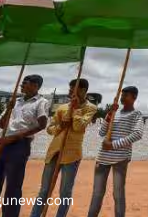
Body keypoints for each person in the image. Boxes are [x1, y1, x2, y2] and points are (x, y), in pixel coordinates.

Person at [0, 75, 49, 217]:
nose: (22, 84)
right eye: (22, 82)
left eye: (26, 82)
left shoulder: (41, 102)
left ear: (36, 85)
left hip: (20, 145)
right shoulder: (14, 101)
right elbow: (1, 124)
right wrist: (9, 109)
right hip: (1, 143)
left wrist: (16, 137)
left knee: (13, 186)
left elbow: (42, 125)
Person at [29, 79, 97, 217]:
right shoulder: (62, 108)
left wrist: (76, 109)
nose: (70, 92)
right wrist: (61, 126)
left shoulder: (90, 108)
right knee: (44, 190)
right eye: (70, 89)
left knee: (65, 192)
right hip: (54, 152)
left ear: (83, 91)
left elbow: (79, 127)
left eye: (74, 89)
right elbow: (50, 129)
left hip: (72, 155)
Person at [87, 86, 144, 217]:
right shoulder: (114, 113)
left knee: (118, 193)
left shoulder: (136, 114)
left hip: (120, 158)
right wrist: (108, 115)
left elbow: (137, 134)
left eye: (126, 95)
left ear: (134, 97)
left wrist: (113, 145)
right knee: (97, 193)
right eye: (122, 95)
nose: (122, 97)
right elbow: (102, 132)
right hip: (102, 158)